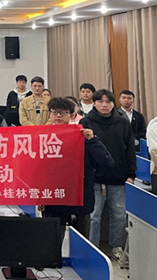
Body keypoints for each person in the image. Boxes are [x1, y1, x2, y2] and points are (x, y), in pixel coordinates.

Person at [41, 97, 114, 240]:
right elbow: (38, 171)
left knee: (81, 241)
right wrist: (40, 197)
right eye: (54, 112)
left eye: (63, 112)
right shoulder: (43, 137)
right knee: (52, 240)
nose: (58, 116)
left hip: (79, 197)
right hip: (53, 197)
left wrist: (92, 140)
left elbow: (107, 161)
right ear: (49, 114)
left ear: (72, 115)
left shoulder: (83, 136)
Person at [80, 89, 136, 267]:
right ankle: (92, 248)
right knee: (94, 216)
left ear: (113, 103)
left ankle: (117, 247)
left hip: (118, 177)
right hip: (94, 178)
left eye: (108, 102)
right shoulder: (86, 122)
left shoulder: (123, 122)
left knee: (119, 215)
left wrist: (131, 174)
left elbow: (130, 149)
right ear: (94, 103)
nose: (105, 105)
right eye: (100, 101)